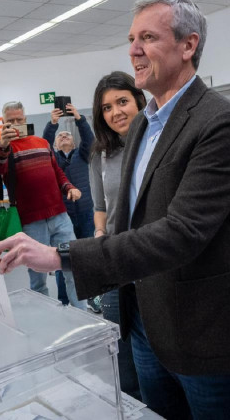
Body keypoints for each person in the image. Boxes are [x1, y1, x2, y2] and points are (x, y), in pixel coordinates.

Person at [0, 0, 230, 419]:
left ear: (188, 45)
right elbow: (126, 219)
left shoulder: (220, 119)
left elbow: (182, 232)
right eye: (131, 38)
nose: (133, 50)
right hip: (145, 322)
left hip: (205, 328)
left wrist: (62, 255)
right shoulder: (144, 122)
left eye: (147, 37)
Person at [0, 102, 86, 310]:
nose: (16, 124)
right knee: (38, 277)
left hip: (59, 216)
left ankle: (83, 317)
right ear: (3, 123)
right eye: (10, 121)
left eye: (19, 120)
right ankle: (45, 319)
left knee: (73, 269)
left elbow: (57, 172)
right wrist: (3, 145)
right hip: (31, 222)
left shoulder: (42, 142)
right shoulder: (4, 149)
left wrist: (69, 187)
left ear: (25, 119)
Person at [89, 70, 147, 401]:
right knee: (122, 356)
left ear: (140, 101)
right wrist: (99, 233)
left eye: (122, 101)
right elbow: (101, 205)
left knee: (154, 353)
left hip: (152, 257)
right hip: (115, 262)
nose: (116, 112)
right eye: (107, 108)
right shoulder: (101, 153)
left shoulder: (157, 143)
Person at [43, 104, 96, 308]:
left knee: (87, 257)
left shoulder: (82, 155)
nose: (64, 136)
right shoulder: (52, 158)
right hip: (62, 216)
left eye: (67, 135)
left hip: (85, 214)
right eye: (60, 136)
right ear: (55, 144)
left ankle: (90, 296)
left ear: (74, 141)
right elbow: (44, 143)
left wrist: (79, 120)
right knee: (62, 261)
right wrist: (53, 124)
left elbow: (90, 140)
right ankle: (64, 300)